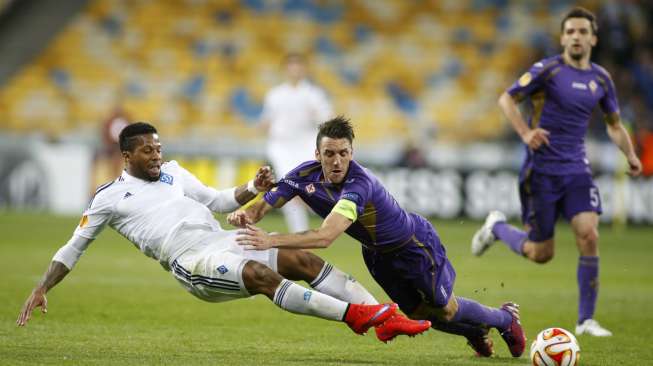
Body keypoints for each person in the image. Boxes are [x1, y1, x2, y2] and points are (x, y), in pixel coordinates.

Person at [17, 122, 431, 343]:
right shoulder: (108, 196)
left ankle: (387, 317)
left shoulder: (174, 172)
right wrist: (43, 286)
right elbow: (74, 246)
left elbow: (217, 201)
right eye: (148, 150)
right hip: (190, 261)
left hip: (218, 239)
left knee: (301, 260)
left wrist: (254, 188)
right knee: (260, 274)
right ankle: (358, 316)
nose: (158, 155)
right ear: (127, 156)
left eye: (159, 147)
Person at [229, 117, 526, 358]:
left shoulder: (359, 184)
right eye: (329, 153)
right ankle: (474, 331)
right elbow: (265, 205)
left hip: (413, 246)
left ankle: (504, 319)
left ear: (352, 154)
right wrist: (245, 214)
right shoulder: (302, 175)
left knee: (445, 308)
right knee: (417, 313)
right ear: (317, 154)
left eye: (343, 153)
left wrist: (272, 240)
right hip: (376, 254)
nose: (336, 161)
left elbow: (326, 237)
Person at [471, 7, 642, 337]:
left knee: (589, 235)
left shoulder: (601, 79)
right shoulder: (548, 70)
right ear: (563, 37)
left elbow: (614, 125)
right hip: (542, 171)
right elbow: (507, 99)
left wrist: (631, 155)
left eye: (582, 31)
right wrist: (524, 133)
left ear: (593, 38)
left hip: (577, 169)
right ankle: (497, 228)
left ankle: (586, 320)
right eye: (571, 32)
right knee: (541, 253)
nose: (576, 36)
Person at [260, 53, 334, 233]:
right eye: (291, 66)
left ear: (304, 69)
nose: (294, 70)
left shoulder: (313, 94)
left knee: (310, 191)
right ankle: (299, 233)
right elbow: (267, 120)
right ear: (285, 69)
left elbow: (327, 119)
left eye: (298, 66)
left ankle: (331, 223)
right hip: (281, 147)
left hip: (306, 145)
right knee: (289, 188)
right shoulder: (275, 94)